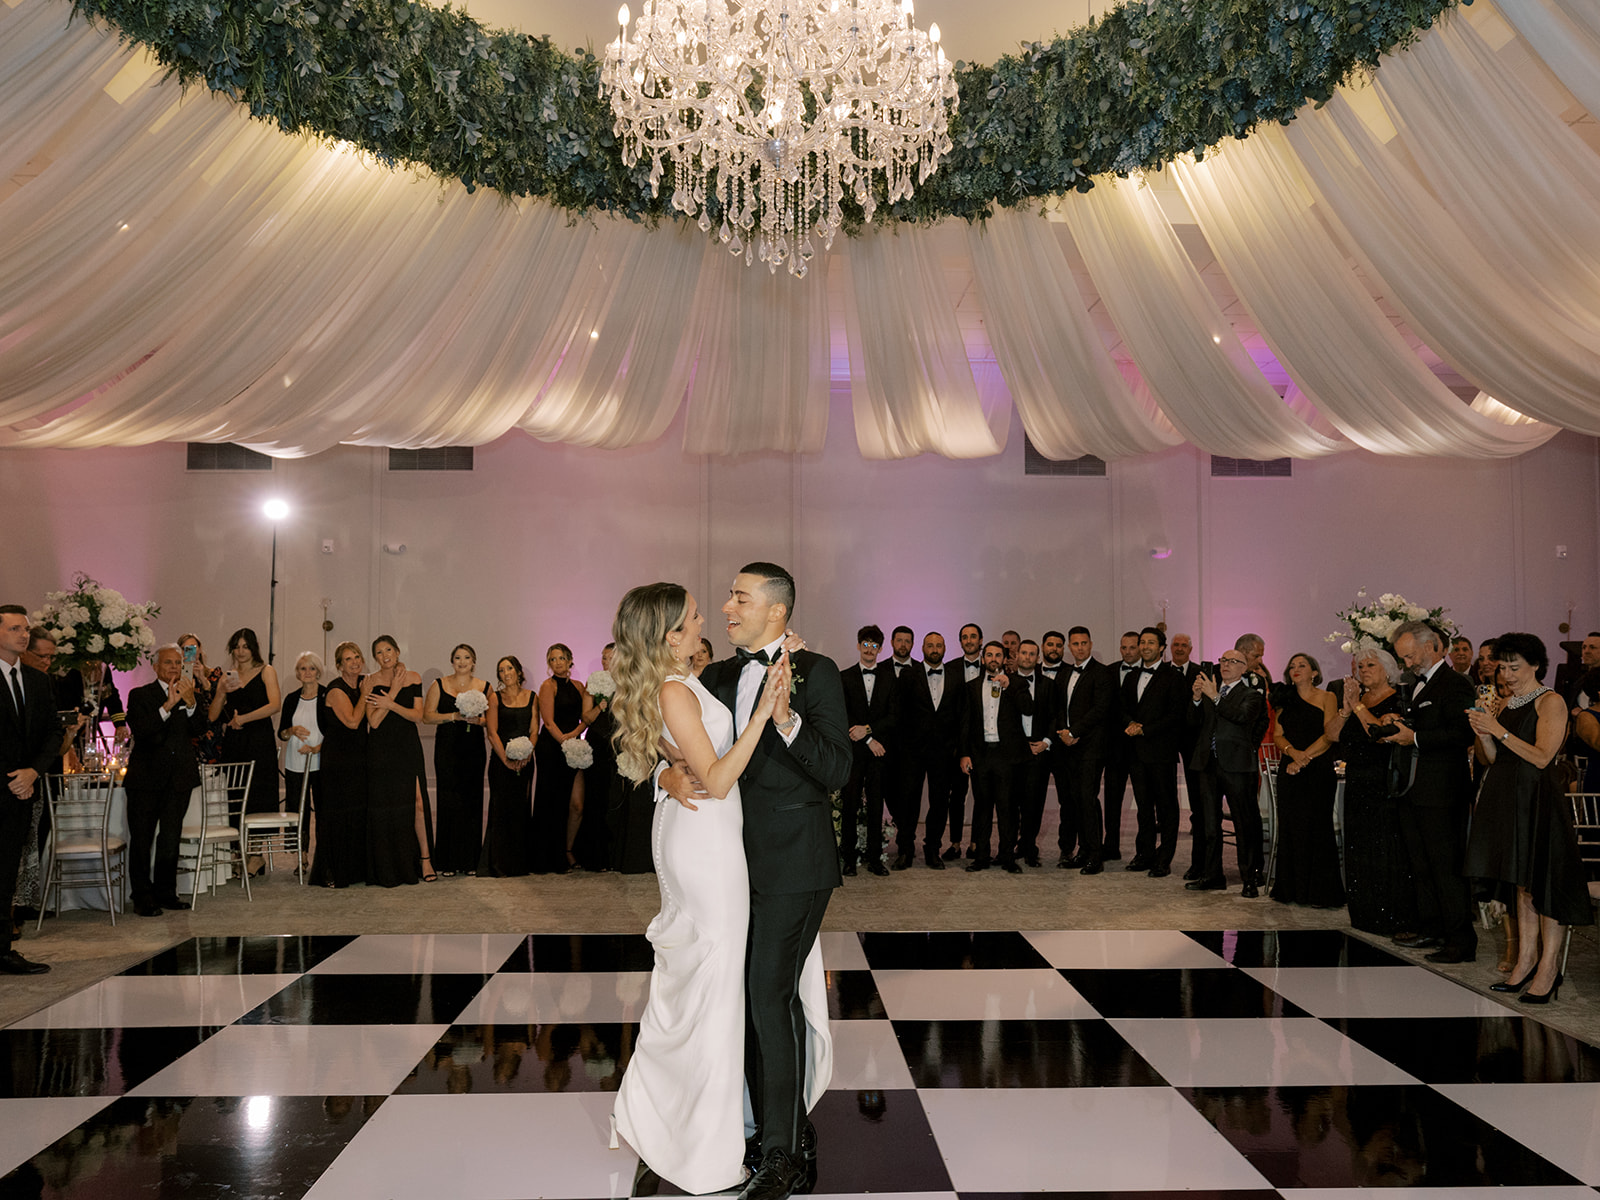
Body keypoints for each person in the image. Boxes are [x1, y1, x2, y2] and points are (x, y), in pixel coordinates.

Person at [610, 583, 824, 1195]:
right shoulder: (676, 688)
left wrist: (662, 768)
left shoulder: (686, 678)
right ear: (670, 634)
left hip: (708, 837)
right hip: (708, 845)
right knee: (714, 984)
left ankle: (700, 1125)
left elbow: (674, 744)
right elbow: (721, 778)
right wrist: (761, 717)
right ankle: (694, 1139)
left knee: (707, 984)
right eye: (695, 617)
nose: (709, 618)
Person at [659, 563, 852, 1200]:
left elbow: (837, 769)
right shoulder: (713, 676)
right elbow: (663, 736)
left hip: (796, 863)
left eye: (739, 597)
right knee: (748, 997)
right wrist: (668, 776)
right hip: (730, 869)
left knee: (770, 995)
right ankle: (779, 1126)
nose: (726, 606)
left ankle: (782, 1155)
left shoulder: (818, 671)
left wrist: (787, 717)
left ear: (778, 611)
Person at [1464, 633, 1593, 1003]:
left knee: (1543, 884)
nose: (1507, 674)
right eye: (1503, 667)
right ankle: (1525, 961)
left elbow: (1541, 757)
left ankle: (1549, 969)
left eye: (1514, 667)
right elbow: (1490, 758)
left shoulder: (1550, 701)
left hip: (1538, 800)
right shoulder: (1504, 703)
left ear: (1536, 665)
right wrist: (1483, 730)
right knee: (1522, 885)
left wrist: (1498, 730)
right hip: (1509, 800)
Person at [1384, 620, 1479, 963]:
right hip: (1414, 788)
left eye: (1409, 656)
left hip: (1442, 791)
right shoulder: (1415, 685)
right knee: (1421, 864)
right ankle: (1432, 927)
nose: (1407, 664)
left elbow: (1462, 734)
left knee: (1446, 866)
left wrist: (1416, 738)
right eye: (1403, 658)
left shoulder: (1454, 683)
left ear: (1431, 646)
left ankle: (1460, 940)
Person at [1326, 646, 1415, 933]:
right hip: (1356, 782)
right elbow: (1331, 734)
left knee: (1383, 848)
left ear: (1387, 671)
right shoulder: (1356, 700)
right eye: (1360, 666)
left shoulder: (1396, 700)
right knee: (1357, 847)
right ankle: (1363, 913)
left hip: (1383, 783)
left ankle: (1388, 915)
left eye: (1370, 666)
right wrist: (1346, 708)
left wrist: (1359, 707)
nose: (1363, 671)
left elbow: (1380, 736)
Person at [0, 605, 62, 973]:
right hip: (5, 786)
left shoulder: (38, 680)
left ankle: (3, 950)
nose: (23, 635)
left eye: (25, 629)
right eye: (14, 629)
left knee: (7, 874)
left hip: (24, 790)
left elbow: (53, 732)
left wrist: (33, 772)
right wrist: (13, 778)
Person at [123, 644, 201, 917]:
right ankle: (142, 896)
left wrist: (190, 704)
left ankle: (166, 892)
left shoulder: (189, 693)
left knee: (170, 838)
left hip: (179, 778)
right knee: (142, 839)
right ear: (156, 667)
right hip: (146, 780)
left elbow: (200, 728)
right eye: (168, 663)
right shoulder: (140, 695)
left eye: (178, 663)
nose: (174, 668)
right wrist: (168, 704)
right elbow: (143, 732)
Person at [1184, 648, 1269, 894]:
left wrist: (1215, 697)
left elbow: (1241, 717)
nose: (1226, 664)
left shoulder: (1251, 694)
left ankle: (1250, 877)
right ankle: (1212, 875)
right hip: (1208, 764)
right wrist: (1198, 698)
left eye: (1233, 661)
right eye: (1223, 660)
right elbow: (1192, 722)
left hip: (1237, 766)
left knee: (1244, 824)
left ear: (1244, 668)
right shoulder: (1212, 690)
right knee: (1210, 825)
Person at [1268, 653, 1344, 908]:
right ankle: (1292, 889)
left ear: (1314, 672)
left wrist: (1304, 758)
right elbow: (1278, 735)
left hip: (1317, 770)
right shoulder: (1283, 699)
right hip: (1289, 769)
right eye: (1292, 666)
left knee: (1318, 827)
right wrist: (1292, 754)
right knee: (1292, 827)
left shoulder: (1327, 697)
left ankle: (1320, 892)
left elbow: (1330, 734)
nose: (1296, 669)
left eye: (1302, 665)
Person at [209, 627, 281, 873]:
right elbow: (213, 715)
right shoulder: (227, 676)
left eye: (245, 646)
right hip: (235, 743)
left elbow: (274, 705)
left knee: (258, 795)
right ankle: (240, 852)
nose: (240, 651)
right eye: (236, 647)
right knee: (235, 795)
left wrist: (245, 718)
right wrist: (220, 691)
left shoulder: (266, 671)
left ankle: (256, 853)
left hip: (259, 740)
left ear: (253, 648)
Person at [959, 639, 1033, 873]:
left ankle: (1007, 857)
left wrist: (1009, 686)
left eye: (998, 655)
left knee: (1007, 808)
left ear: (1004, 659)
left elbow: (1029, 709)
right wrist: (964, 754)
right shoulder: (970, 687)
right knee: (982, 808)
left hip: (1007, 756)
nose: (993, 659)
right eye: (989, 655)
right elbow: (965, 724)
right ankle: (981, 857)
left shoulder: (1018, 683)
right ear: (983, 659)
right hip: (980, 756)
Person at [362, 635, 430, 886]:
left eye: (388, 649)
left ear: (398, 651)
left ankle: (425, 859)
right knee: (386, 806)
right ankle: (388, 865)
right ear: (375, 658)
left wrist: (390, 703)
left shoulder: (413, 677)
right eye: (378, 652)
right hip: (380, 751)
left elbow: (418, 716)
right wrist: (394, 692)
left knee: (417, 803)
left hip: (407, 747)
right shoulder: (369, 682)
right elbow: (374, 722)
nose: (384, 655)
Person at [1122, 626, 1187, 877]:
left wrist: (1145, 729)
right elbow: (1122, 707)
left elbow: (1175, 716)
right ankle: (1144, 853)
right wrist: (1129, 723)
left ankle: (1164, 858)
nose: (1145, 646)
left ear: (1161, 647)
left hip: (1161, 752)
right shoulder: (1130, 676)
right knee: (1143, 807)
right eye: (1142, 642)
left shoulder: (1174, 677)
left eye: (1151, 642)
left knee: (1167, 807)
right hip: (1136, 754)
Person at [424, 644, 490, 877]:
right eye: (457, 657)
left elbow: (492, 721)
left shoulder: (485, 686)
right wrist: (454, 716)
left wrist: (478, 721)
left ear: (474, 661)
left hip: (473, 750)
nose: (462, 661)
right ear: (451, 661)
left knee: (472, 801)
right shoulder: (439, 684)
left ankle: (471, 860)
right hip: (447, 750)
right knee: (448, 800)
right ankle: (447, 861)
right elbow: (427, 716)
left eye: (467, 657)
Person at [838, 625, 898, 876]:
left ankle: (875, 858)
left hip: (879, 751)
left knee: (876, 805)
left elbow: (894, 716)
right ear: (858, 645)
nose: (869, 649)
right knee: (849, 805)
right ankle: (849, 859)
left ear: (881, 649)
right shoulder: (845, 676)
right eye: (865, 644)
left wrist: (870, 732)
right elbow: (843, 714)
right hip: (854, 750)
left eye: (875, 645)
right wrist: (865, 739)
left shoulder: (890, 678)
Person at [1054, 626, 1113, 874]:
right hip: (1068, 747)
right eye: (1075, 644)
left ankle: (1095, 856)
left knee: (1088, 800)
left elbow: (1100, 710)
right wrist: (1063, 733)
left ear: (1091, 644)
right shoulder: (1064, 674)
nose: (1079, 647)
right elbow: (1057, 708)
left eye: (1083, 643)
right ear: (1069, 646)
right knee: (1075, 800)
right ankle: (1083, 850)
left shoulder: (1102, 673)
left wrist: (1074, 732)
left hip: (1090, 746)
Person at [532, 644, 592, 874]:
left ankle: (567, 849)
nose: (557, 663)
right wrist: (565, 742)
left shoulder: (579, 686)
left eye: (561, 658)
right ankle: (550, 857)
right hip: (552, 748)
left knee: (577, 804)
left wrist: (573, 738)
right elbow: (547, 722)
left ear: (570, 661)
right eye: (552, 659)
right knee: (552, 802)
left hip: (573, 746)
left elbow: (586, 717)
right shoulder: (547, 686)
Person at [312, 641, 367, 888]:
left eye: (357, 657)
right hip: (339, 761)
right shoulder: (336, 690)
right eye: (348, 659)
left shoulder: (362, 684)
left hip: (358, 758)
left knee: (357, 813)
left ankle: (355, 869)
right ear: (338, 665)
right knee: (337, 814)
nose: (354, 662)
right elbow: (353, 721)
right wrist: (367, 691)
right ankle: (332, 871)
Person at [909, 631, 963, 870]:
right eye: (930, 645)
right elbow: (901, 715)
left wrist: (958, 748)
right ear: (922, 647)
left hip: (944, 752)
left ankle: (933, 849)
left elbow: (962, 716)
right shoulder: (909, 675)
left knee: (940, 802)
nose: (934, 649)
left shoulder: (956, 677)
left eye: (938, 645)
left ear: (944, 649)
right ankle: (905, 849)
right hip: (914, 751)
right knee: (909, 801)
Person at [480, 656, 533, 877]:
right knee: (500, 811)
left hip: (526, 760)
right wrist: (507, 760)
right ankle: (499, 864)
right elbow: (492, 733)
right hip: (501, 762)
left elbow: (534, 730)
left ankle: (521, 863)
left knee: (521, 809)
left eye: (509, 668)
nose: (506, 673)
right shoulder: (494, 697)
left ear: (519, 671)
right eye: (501, 670)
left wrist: (527, 753)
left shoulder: (532, 697)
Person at [277, 651, 325, 869]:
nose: (307, 673)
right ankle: (302, 855)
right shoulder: (291, 699)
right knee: (299, 808)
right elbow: (282, 734)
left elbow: (334, 731)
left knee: (323, 808)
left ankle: (324, 855)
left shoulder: (327, 696)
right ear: (298, 672)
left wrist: (316, 748)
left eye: (312, 668)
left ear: (318, 672)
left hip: (322, 760)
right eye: (303, 668)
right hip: (295, 761)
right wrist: (292, 730)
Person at [1011, 639, 1053, 869]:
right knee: (1011, 802)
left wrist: (1046, 742)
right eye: (1023, 653)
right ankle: (1013, 846)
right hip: (1013, 752)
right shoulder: (1005, 683)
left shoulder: (1048, 685)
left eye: (1031, 654)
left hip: (1039, 751)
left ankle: (1029, 846)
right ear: (1016, 656)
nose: (1027, 657)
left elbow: (1054, 716)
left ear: (1037, 658)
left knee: (1034, 803)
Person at [1101, 630, 1142, 862]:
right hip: (1114, 747)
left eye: (1132, 648)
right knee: (1112, 799)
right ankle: (1111, 844)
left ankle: (1142, 850)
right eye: (1123, 647)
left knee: (1144, 801)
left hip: (1139, 745)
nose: (1127, 652)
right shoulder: (1109, 671)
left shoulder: (1149, 672)